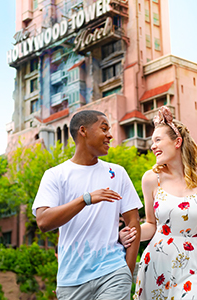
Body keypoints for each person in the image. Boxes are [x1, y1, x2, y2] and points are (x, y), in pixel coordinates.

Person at [32, 110, 142, 300]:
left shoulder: (117, 173)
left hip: (113, 272)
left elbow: (133, 222)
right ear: (83, 131)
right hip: (71, 280)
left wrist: (127, 271)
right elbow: (43, 221)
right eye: (104, 128)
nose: (110, 135)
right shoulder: (55, 175)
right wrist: (85, 199)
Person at [121, 106, 197, 300]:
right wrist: (130, 235)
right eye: (152, 141)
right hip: (158, 265)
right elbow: (152, 225)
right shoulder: (151, 179)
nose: (153, 146)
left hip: (195, 265)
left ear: (177, 141)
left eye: (158, 140)